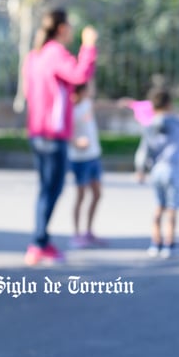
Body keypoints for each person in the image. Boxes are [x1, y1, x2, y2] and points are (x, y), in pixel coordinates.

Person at [22, 8, 97, 266]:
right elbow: (79, 76)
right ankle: (39, 243)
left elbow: (28, 91)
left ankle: (40, 241)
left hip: (37, 131)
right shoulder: (55, 52)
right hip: (53, 135)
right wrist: (88, 47)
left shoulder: (35, 55)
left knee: (46, 189)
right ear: (62, 28)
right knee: (51, 190)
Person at [134, 88, 179, 258]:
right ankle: (169, 244)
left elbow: (144, 150)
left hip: (156, 169)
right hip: (172, 169)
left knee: (159, 206)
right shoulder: (177, 122)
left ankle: (155, 242)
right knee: (172, 208)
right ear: (169, 104)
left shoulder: (149, 125)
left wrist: (140, 170)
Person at [68, 82, 106, 248]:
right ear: (81, 90)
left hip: (93, 156)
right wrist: (76, 142)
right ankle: (76, 235)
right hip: (79, 158)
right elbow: (65, 133)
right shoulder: (69, 109)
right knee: (81, 196)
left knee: (97, 194)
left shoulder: (87, 103)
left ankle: (88, 231)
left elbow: (102, 105)